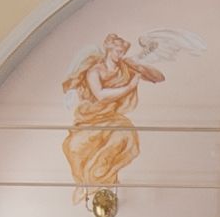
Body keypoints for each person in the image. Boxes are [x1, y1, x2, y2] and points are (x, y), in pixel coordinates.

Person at [60, 33, 166, 195]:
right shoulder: (95, 71)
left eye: (123, 52)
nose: (120, 56)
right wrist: (129, 87)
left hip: (111, 117)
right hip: (91, 115)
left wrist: (140, 66)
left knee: (125, 135)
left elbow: (159, 78)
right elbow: (101, 95)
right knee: (76, 147)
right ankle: (93, 181)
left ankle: (104, 177)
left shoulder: (125, 67)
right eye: (118, 52)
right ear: (109, 50)